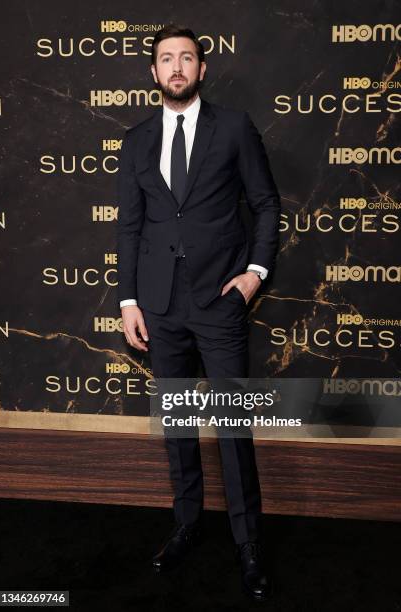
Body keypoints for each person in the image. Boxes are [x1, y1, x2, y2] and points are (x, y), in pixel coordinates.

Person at [116, 24, 280, 602]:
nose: (177, 67)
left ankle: (248, 543)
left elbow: (264, 202)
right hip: (159, 306)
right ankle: (187, 524)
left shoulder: (232, 126)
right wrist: (129, 300)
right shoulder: (136, 140)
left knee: (234, 427)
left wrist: (253, 276)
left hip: (219, 300)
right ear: (154, 73)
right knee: (180, 429)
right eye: (167, 59)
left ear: (202, 69)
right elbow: (131, 227)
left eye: (187, 57)